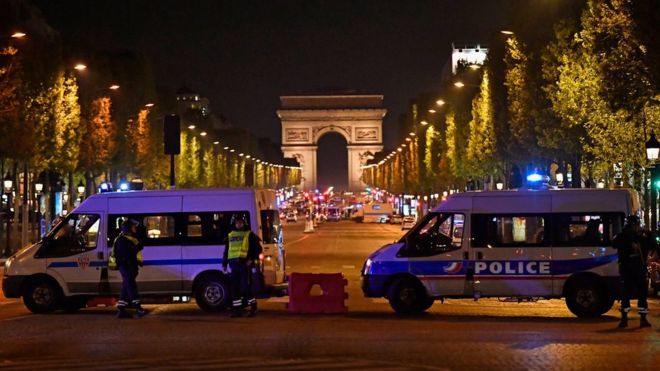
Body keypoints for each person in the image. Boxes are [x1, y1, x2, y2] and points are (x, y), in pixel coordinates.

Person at [612, 215, 655, 328]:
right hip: (628, 269)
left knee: (641, 295)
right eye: (635, 225)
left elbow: (653, 245)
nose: (637, 227)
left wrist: (649, 235)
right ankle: (625, 319)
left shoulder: (641, 237)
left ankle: (642, 319)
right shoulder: (623, 237)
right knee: (626, 295)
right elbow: (614, 244)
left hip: (638, 269)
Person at [222, 215, 263, 317]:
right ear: (234, 224)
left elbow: (258, 249)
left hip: (245, 265)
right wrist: (224, 264)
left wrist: (250, 259)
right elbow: (226, 251)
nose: (238, 225)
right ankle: (237, 310)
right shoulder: (230, 235)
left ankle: (253, 307)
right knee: (235, 288)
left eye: (240, 223)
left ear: (244, 224)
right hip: (234, 265)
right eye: (237, 223)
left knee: (246, 287)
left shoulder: (249, 235)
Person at [113, 219, 147, 319]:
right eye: (133, 227)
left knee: (126, 286)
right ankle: (138, 308)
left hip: (128, 266)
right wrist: (139, 246)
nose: (135, 228)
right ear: (128, 229)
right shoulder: (122, 240)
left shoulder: (128, 239)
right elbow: (129, 254)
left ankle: (121, 309)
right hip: (126, 267)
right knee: (131, 287)